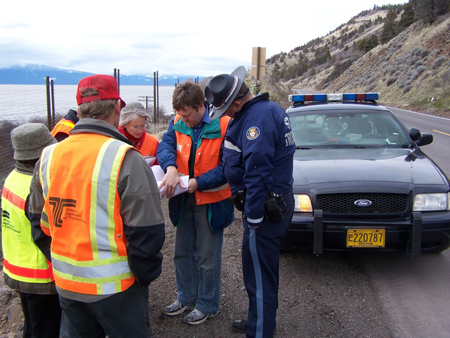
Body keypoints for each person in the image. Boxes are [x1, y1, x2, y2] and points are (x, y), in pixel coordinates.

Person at [28, 74, 165, 338]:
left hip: (67, 287)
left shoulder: (48, 156)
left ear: (79, 109)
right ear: (117, 107)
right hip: (117, 290)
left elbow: (38, 223)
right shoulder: (126, 158)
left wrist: (65, 266)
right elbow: (148, 233)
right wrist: (143, 276)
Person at [204, 66, 295, 338]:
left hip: (264, 210)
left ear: (237, 101)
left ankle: (260, 331)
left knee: (258, 276)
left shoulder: (256, 119)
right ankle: (261, 321)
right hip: (269, 205)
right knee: (262, 272)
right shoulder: (264, 111)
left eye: (226, 109)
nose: (226, 115)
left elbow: (258, 172)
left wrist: (254, 217)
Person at [156, 81, 234, 325]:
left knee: (207, 258)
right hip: (183, 200)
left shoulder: (225, 124)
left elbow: (228, 167)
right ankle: (185, 297)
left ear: (201, 106)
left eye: (187, 115)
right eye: (179, 115)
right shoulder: (177, 121)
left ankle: (208, 304)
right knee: (182, 254)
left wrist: (198, 183)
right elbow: (166, 145)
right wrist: (170, 167)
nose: (183, 120)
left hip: (211, 203)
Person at [1, 123, 62, 338]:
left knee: (33, 327)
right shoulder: (37, 187)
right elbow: (47, 234)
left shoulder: (13, 177)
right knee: (47, 330)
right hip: (41, 276)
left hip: (18, 268)